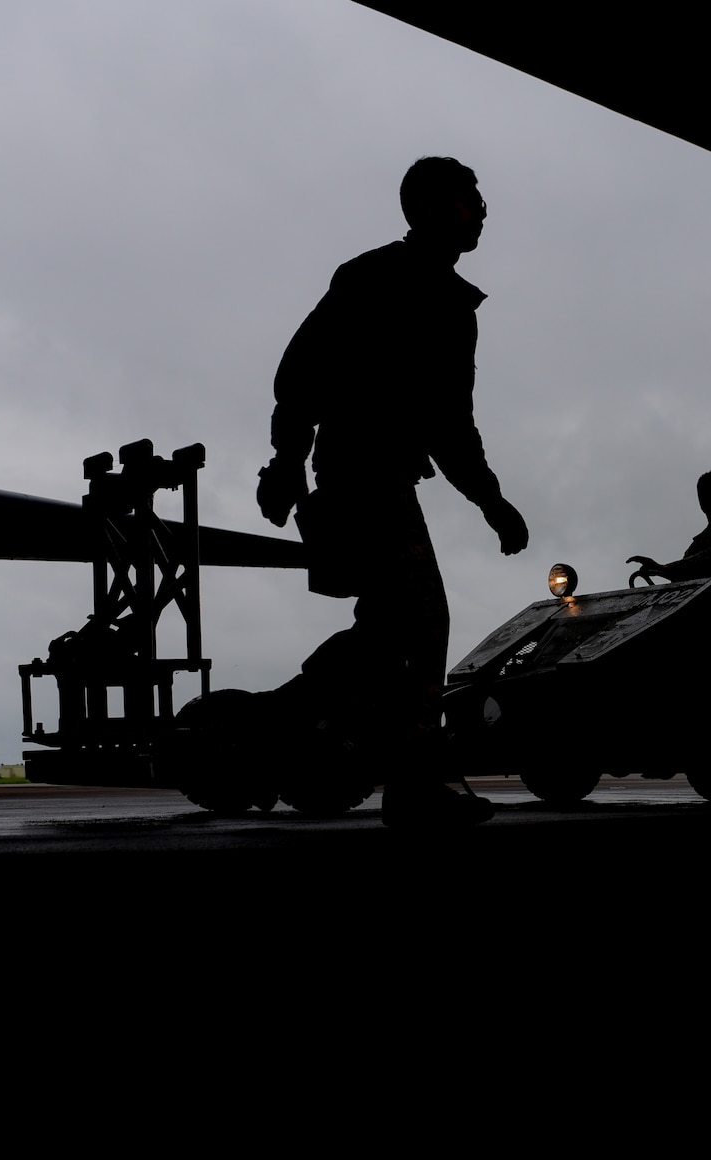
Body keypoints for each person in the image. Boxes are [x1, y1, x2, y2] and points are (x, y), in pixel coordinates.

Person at [257, 156, 528, 827]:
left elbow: (449, 424)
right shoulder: (371, 279)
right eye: (470, 200)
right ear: (430, 209)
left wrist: (490, 499)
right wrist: (286, 462)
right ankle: (413, 785)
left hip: (385, 476)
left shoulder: (453, 307)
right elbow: (303, 369)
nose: (482, 210)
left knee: (385, 630)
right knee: (423, 617)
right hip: (359, 474)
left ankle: (285, 719)